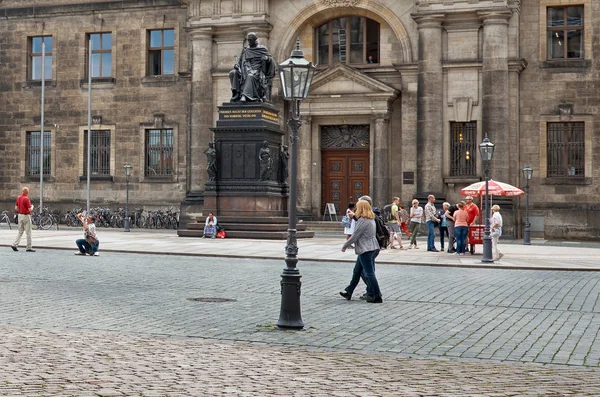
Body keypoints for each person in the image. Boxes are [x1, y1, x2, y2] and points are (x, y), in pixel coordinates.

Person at [339, 200, 383, 303]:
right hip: (371, 247)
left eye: (357, 207)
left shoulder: (363, 220)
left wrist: (345, 245)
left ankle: (377, 295)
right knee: (357, 271)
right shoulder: (370, 218)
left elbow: (355, 235)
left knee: (369, 273)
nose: (356, 209)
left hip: (366, 249)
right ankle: (349, 291)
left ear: (361, 208)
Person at [229, 32, 276, 103]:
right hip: (245, 68)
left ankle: (244, 95)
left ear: (255, 40)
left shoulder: (262, 49)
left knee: (250, 76)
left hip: (257, 70)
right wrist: (237, 66)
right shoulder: (245, 50)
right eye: (248, 40)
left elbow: (271, 61)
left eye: (251, 40)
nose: (249, 42)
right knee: (233, 73)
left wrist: (267, 59)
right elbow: (240, 62)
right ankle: (237, 94)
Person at [11, 187, 35, 252]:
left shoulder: (18, 197)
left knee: (20, 231)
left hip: (20, 215)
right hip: (26, 216)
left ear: (22, 191)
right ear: (27, 192)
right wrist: (32, 207)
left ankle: (15, 244)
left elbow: (16, 207)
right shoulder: (27, 199)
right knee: (28, 232)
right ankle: (29, 247)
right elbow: (30, 209)